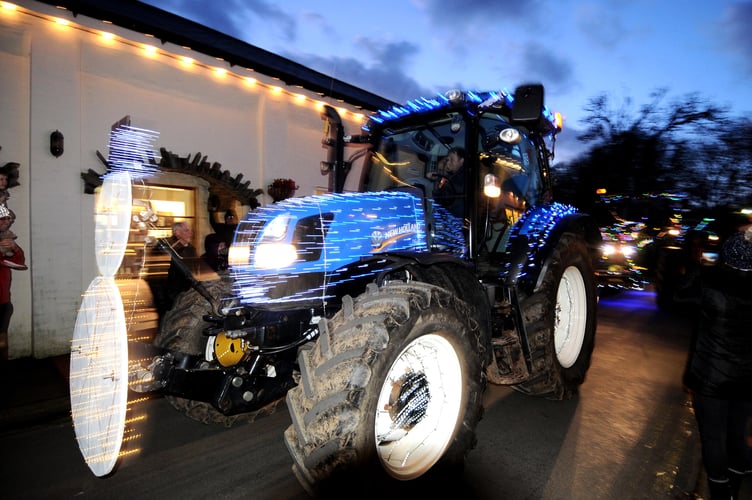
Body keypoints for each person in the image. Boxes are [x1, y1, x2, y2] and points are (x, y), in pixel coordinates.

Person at [680, 228, 752, 500]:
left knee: (712, 437)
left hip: (711, 378)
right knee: (738, 434)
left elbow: (678, 297)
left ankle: (721, 492)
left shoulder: (711, 285)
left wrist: (699, 269)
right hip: (747, 381)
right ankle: (734, 487)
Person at [0, 204, 26, 360]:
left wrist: (14, 248)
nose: (6, 222)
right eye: (3, 219)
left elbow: (20, 262)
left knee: (2, 339)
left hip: (3, 299)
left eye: (8, 220)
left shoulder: (7, 238)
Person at [429, 147, 466, 216]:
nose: (448, 163)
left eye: (452, 160)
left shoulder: (463, 176)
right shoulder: (454, 175)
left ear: (461, 161)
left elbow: (447, 192)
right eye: (448, 160)